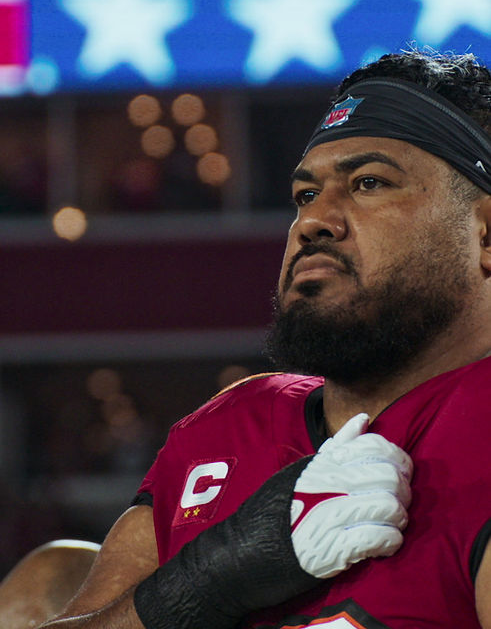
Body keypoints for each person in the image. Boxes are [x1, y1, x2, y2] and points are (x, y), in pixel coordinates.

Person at [20, 50, 491, 627]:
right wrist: (205, 581)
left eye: (369, 183)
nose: (313, 221)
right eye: (305, 195)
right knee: (43, 581)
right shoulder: (230, 424)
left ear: (486, 235)